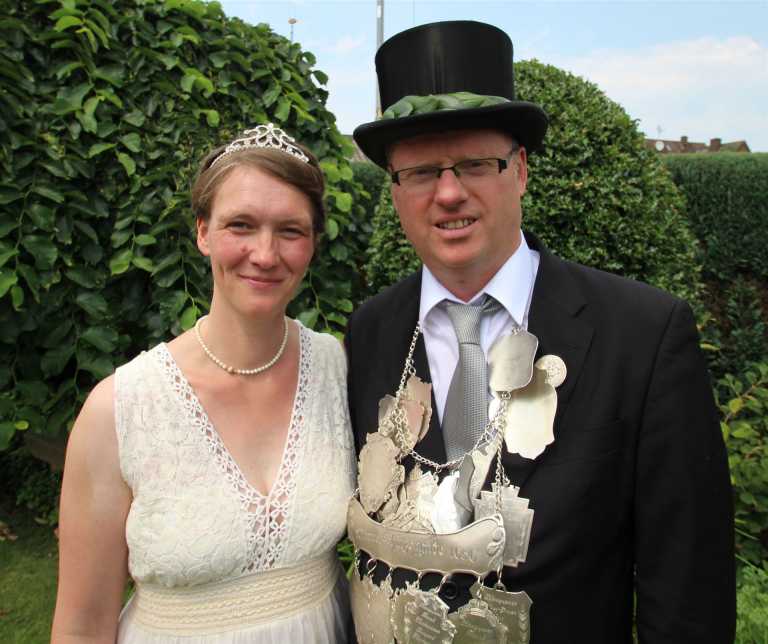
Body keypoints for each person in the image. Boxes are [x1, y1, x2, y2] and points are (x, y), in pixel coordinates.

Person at [344, 20, 735, 643]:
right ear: (394, 190)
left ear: (521, 170)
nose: (449, 193)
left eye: (475, 164)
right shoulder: (369, 331)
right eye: (420, 172)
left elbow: (690, 593)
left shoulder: (642, 335)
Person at [51, 123, 355, 643]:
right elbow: (81, 627)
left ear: (312, 244)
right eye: (241, 225)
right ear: (203, 233)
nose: (265, 254)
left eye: (290, 230)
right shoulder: (121, 410)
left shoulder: (337, 368)